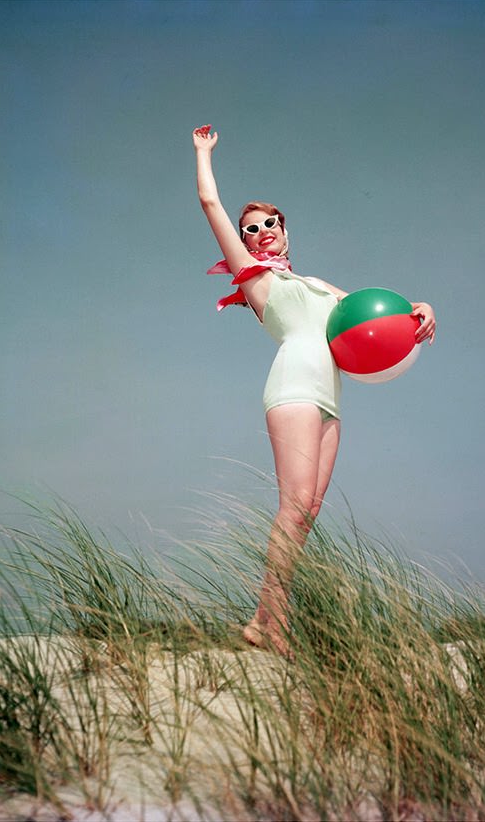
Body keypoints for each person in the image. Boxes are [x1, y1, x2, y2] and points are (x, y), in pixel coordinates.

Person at [193, 124, 436, 658]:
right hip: (294, 385)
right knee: (294, 506)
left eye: (271, 223)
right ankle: (274, 624)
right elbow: (210, 201)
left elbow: (380, 315)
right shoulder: (255, 278)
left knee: (307, 515)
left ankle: (262, 620)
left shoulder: (320, 285)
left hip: (331, 397)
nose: (261, 233)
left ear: (286, 229)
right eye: (251, 228)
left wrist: (422, 309)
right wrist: (203, 152)